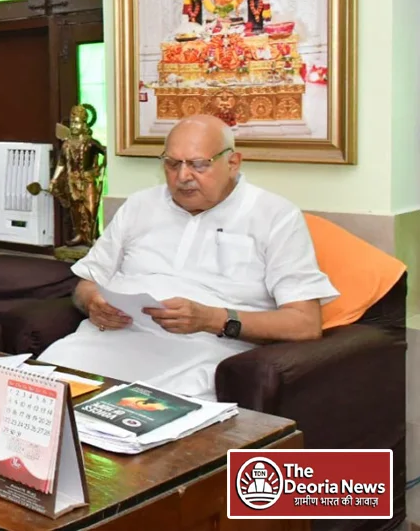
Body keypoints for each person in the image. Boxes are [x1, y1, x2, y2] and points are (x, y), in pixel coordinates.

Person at [37, 114, 339, 400]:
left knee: (146, 421)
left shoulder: (274, 216)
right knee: (36, 393)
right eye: (171, 164)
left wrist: (215, 319)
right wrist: (93, 303)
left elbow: (304, 324)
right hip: (107, 341)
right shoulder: (140, 205)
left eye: (198, 165)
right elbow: (86, 282)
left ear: (232, 162)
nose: (182, 177)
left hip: (201, 352)